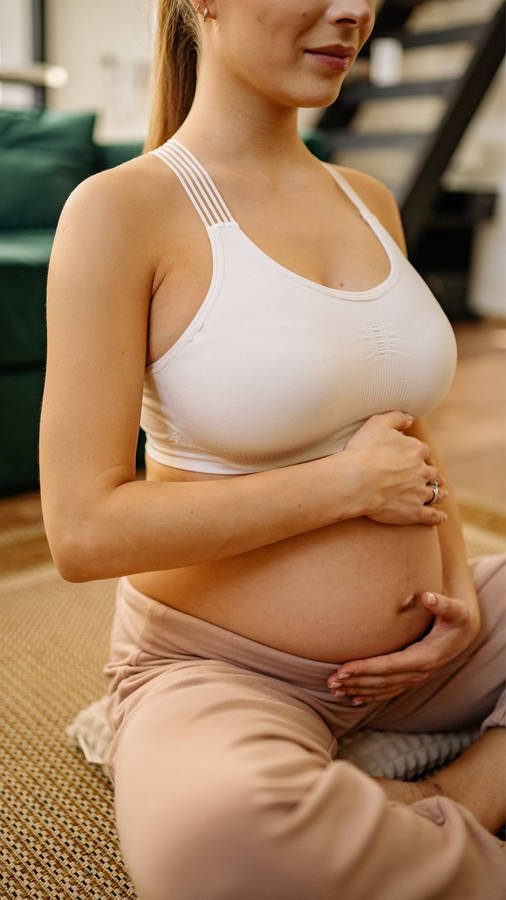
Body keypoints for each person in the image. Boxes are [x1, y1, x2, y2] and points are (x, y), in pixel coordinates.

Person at [39, 1, 505, 898]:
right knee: (225, 842)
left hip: (423, 658)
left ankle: (455, 795)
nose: (355, 11)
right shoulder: (120, 210)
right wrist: (341, 489)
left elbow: (406, 427)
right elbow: (83, 530)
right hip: (216, 666)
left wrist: (457, 593)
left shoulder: (365, 198)